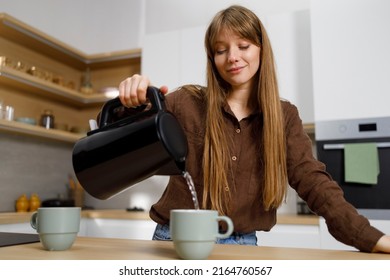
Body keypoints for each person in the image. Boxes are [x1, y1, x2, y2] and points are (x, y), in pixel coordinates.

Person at [114, 5, 390, 252]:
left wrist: (368, 237)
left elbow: (313, 180)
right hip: (174, 240)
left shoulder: (284, 116)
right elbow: (120, 138)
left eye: (243, 46)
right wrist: (129, 102)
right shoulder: (185, 102)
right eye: (221, 50)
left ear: (261, 49)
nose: (232, 57)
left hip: (243, 245)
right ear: (212, 58)